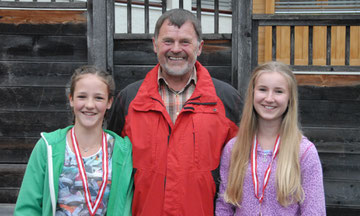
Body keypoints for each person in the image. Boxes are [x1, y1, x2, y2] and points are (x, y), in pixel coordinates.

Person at [107, 8, 242, 216]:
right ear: (155, 44)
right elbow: (113, 170)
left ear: (200, 47)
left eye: (185, 42)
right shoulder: (129, 100)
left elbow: (242, 171)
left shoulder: (226, 100)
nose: (176, 49)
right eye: (168, 41)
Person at [14, 66, 133, 216]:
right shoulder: (47, 147)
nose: (89, 105)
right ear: (71, 99)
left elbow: (127, 207)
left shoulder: (122, 151)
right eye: (82, 96)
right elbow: (27, 208)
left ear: (109, 102)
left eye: (99, 98)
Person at [215, 61, 326, 215]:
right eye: (262, 89)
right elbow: (224, 206)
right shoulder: (234, 148)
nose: (269, 98)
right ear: (253, 93)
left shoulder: (304, 152)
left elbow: (314, 211)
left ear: (289, 99)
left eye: (278, 91)